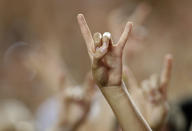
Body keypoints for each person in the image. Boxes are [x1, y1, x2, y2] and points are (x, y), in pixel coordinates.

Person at [77, 13, 152, 131]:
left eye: (139, 34)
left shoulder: (155, 98)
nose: (134, 43)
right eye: (130, 35)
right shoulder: (93, 100)